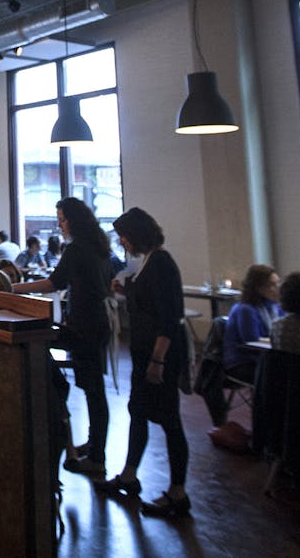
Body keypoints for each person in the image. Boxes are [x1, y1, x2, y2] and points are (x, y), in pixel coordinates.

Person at [15, 198, 113, 478]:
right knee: (95, 391)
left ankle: (96, 457)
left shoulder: (77, 249)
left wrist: (12, 288)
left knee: (93, 391)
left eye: (62, 218)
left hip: (84, 326)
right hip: (97, 324)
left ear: (74, 220)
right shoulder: (100, 247)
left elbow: (53, 283)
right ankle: (95, 446)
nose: (59, 223)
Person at [101, 207, 189, 517]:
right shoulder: (149, 263)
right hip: (145, 353)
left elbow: (168, 317)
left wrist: (158, 360)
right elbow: (149, 304)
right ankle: (129, 474)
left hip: (158, 355)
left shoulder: (161, 264)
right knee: (137, 412)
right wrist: (125, 291)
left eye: (124, 237)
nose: (122, 243)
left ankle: (178, 492)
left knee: (169, 420)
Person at [222, 265, 281, 383]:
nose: (278, 288)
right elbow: (252, 343)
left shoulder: (274, 306)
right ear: (259, 288)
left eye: (278, 283)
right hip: (242, 362)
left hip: (263, 359)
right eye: (272, 285)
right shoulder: (246, 309)